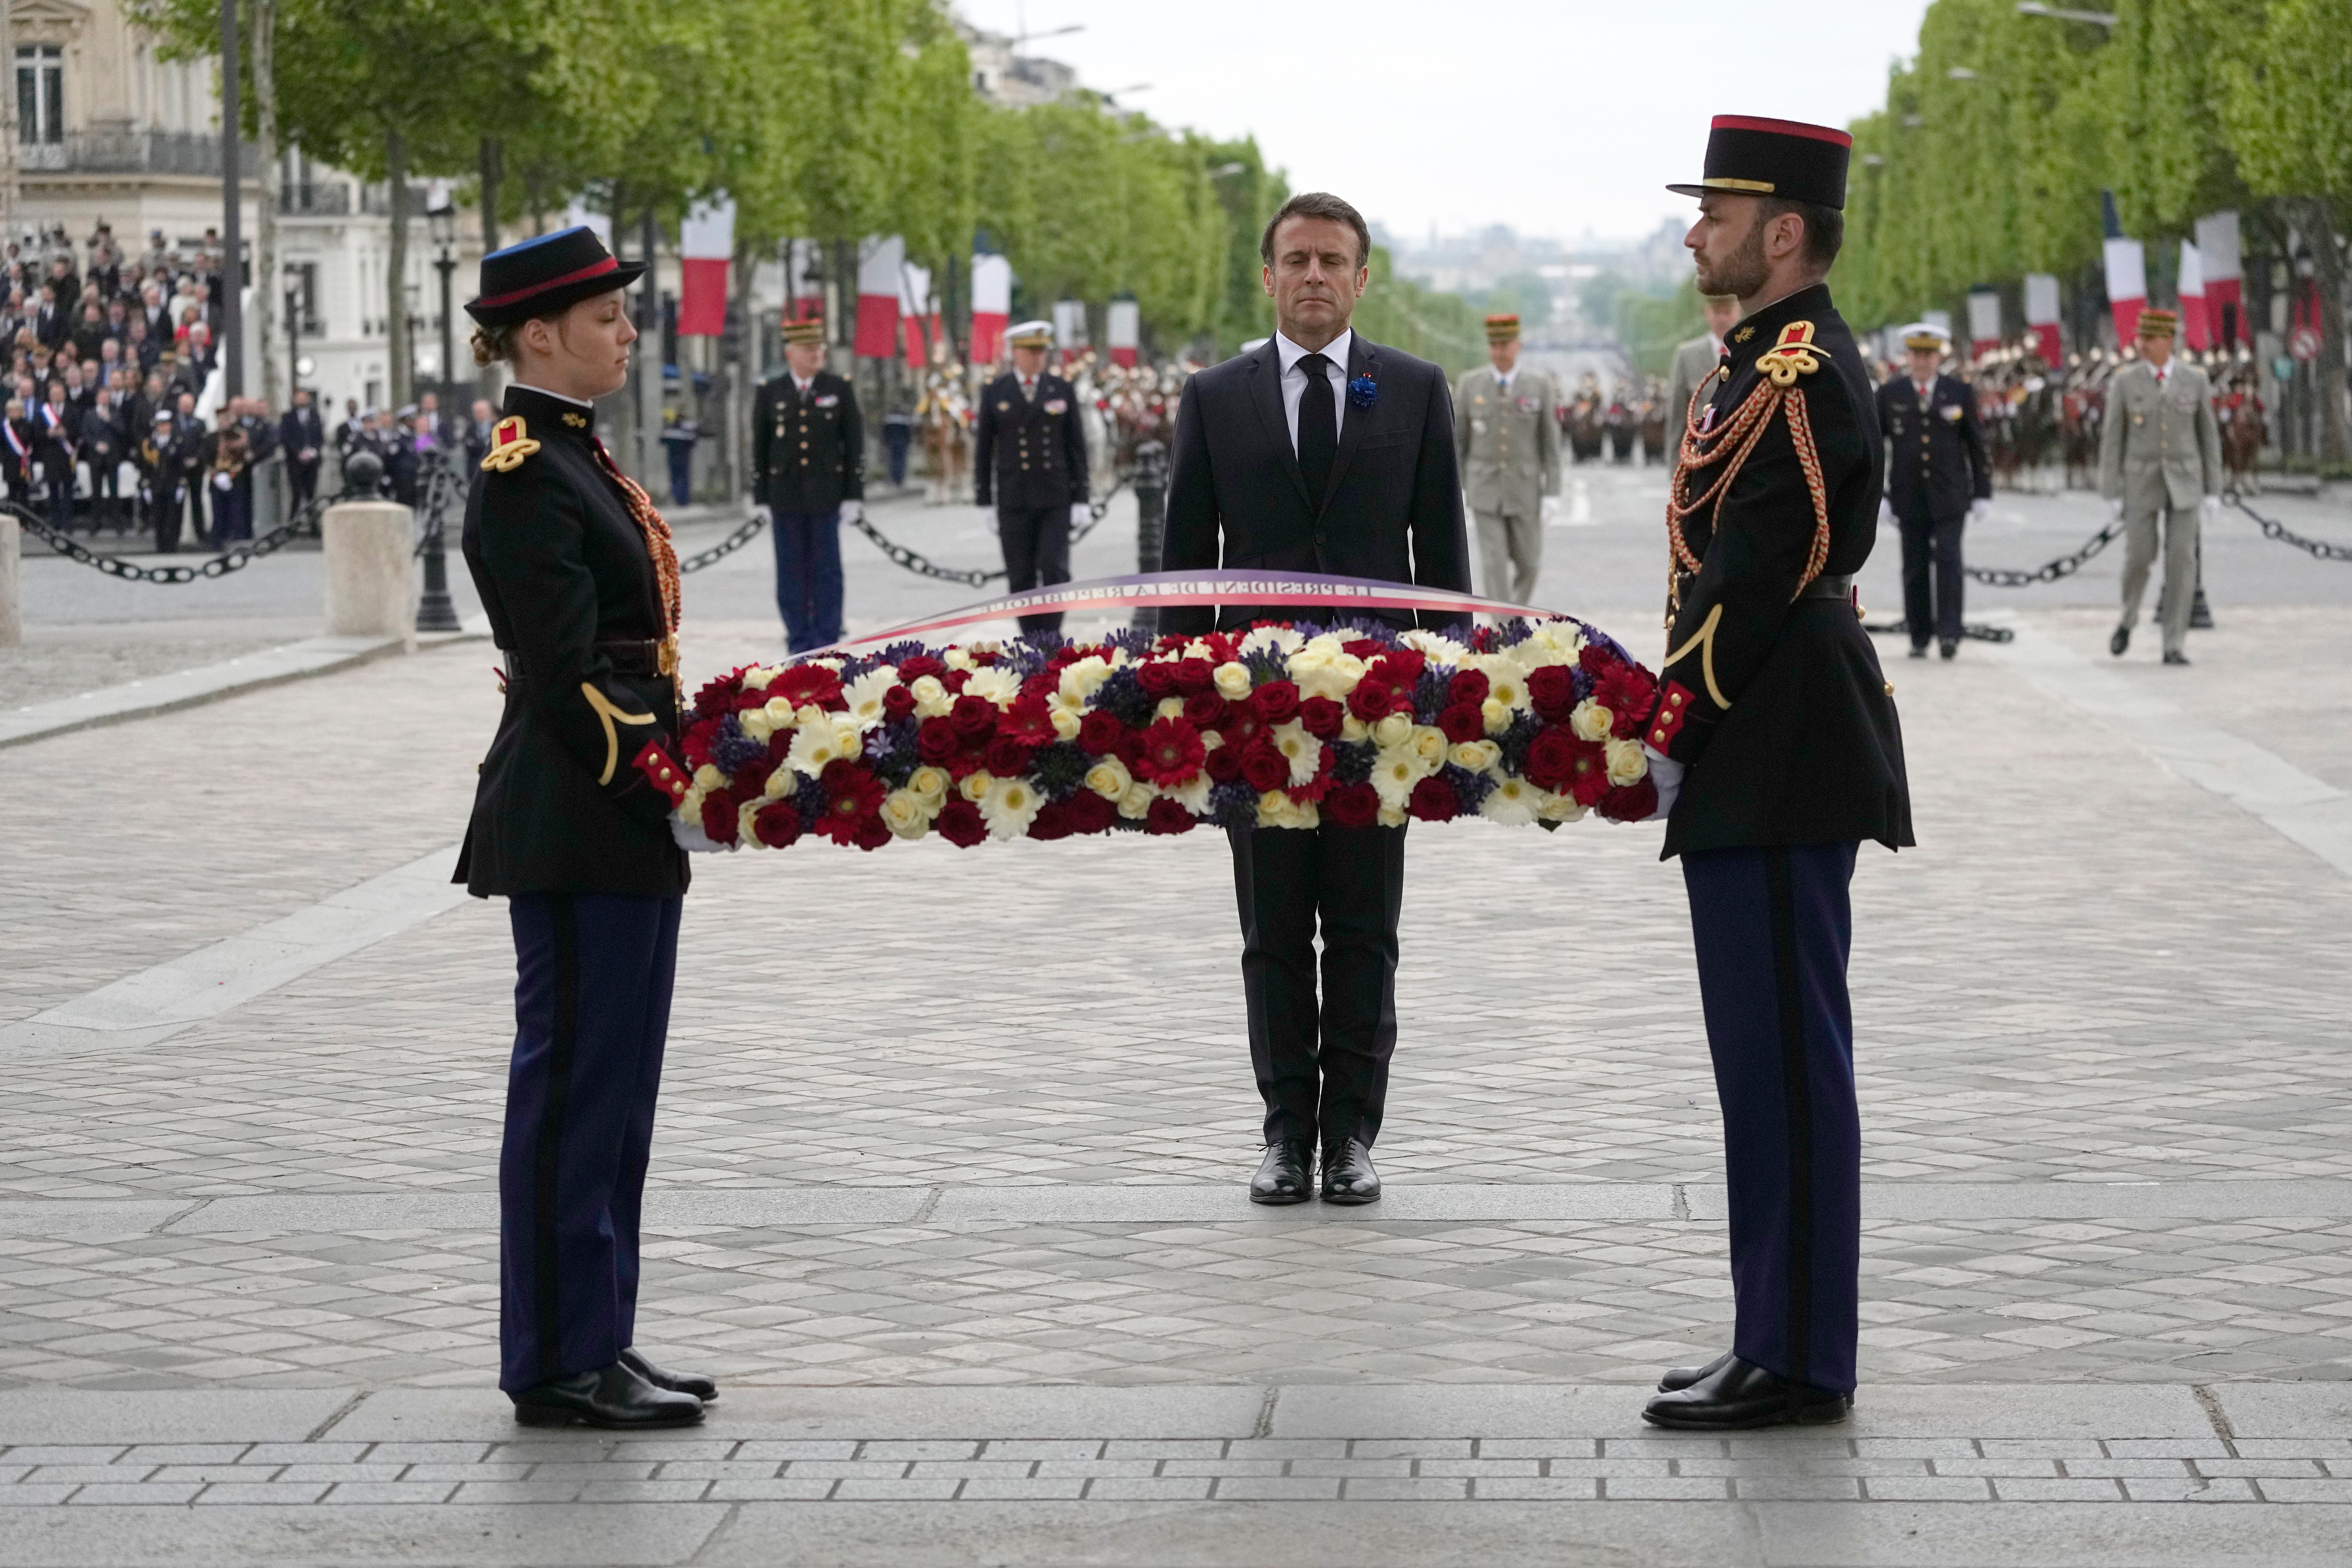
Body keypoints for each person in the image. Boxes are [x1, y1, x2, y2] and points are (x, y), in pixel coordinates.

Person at [1637, 115, 1911, 1430]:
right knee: (1759, 1059)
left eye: (1719, 211)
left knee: (1791, 1061)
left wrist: (1664, 713)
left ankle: (1802, 1356)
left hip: (1780, 738)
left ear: (1784, 232)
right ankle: (1773, 1325)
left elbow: (1749, 580)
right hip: (1765, 739)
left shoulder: (1801, 379)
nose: (1698, 231)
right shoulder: (1757, 365)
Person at [1160, 191, 1473, 1207]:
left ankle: (1352, 1136)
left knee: (1366, 928)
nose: (1312, 277)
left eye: (1332, 260)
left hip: (1378, 722)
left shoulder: (1417, 391)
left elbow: (1443, 572)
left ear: (1360, 277)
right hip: (1256, 720)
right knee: (1272, 932)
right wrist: (1178, 712)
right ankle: (1285, 1133)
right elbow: (1182, 571)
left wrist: (1445, 705)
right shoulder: (1215, 397)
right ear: (1266, 275)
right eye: (1294, 259)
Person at [457, 223, 712, 1431]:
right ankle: (555, 1357)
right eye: (608, 317)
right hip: (579, 815)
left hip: (620, 821)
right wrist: (666, 778)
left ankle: (600, 1334)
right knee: (569, 1093)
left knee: (618, 1096)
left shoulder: (578, 459)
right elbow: (565, 679)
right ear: (542, 333)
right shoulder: (524, 474)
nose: (627, 331)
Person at [2098, 308, 2222, 665]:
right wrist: (2111, 490)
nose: (2142, 345)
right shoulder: (2125, 382)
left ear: (2168, 341)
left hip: (2185, 483)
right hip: (2142, 483)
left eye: (2149, 339)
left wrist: (2214, 489)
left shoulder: (2194, 380)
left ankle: (2174, 642)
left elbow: (2208, 438)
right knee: (2139, 557)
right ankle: (2128, 617)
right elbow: (2112, 440)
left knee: (2182, 562)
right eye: (2140, 338)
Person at [1875, 327, 1990, 660]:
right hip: (1908, 494)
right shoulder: (1890, 393)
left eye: (1929, 355)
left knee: (1950, 562)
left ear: (1940, 356)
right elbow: (1875, 446)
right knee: (1914, 566)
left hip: (1950, 494)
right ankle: (1920, 634)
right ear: (1907, 356)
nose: (1923, 361)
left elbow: (1976, 444)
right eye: (1916, 354)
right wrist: (1879, 495)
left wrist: (1983, 492)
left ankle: (1950, 633)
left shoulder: (1959, 391)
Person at [751, 316, 864, 653]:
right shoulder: (771, 392)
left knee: (827, 571)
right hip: (785, 497)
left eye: (820, 347)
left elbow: (854, 443)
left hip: (828, 496)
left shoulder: (837, 388)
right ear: (791, 353)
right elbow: (761, 447)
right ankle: (798, 640)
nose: (817, 353)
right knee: (791, 573)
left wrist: (854, 495)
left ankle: (827, 638)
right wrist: (760, 497)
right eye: (809, 348)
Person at [973, 320, 1089, 637]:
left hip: (1055, 496)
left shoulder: (1060, 389)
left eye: (1043, 351)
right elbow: (984, 450)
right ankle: (1030, 638)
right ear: (1016, 353)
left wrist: (1082, 498)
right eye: (1032, 351)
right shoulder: (996, 391)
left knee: (1055, 571)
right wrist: (984, 500)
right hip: (1014, 498)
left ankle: (1051, 637)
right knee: (1021, 575)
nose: (1039, 357)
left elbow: (1076, 446)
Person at [1452, 311, 1559, 605]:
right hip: (1484, 488)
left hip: (1525, 489)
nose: (1500, 352)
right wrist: (1458, 486)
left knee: (1530, 564)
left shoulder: (1540, 386)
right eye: (1495, 346)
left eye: (1506, 345)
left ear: (1518, 346)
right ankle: (1504, 629)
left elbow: (1550, 444)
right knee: (1494, 563)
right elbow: (1458, 442)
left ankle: (1515, 613)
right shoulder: (1470, 385)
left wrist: (1553, 492)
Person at [1667, 293, 1743, 435]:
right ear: (1707, 313)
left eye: (1727, 312)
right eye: (1716, 312)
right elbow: (1677, 413)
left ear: (1738, 312)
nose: (1722, 319)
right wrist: (1674, 457)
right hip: (1700, 447)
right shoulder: (1687, 355)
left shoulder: (1750, 351)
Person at [198, 406, 251, 549]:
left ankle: (236, 541)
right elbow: (206, 459)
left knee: (235, 512)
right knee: (218, 512)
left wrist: (231, 474)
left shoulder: (238, 437)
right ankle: (217, 542)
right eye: (221, 419)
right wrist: (216, 476)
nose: (224, 422)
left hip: (235, 479)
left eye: (226, 419)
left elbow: (243, 459)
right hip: (217, 479)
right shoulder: (211, 438)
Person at [139, 407, 186, 553]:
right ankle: (161, 545)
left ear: (170, 425)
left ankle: (173, 545)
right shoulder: (150, 444)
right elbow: (145, 467)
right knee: (159, 516)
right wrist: (146, 486)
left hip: (173, 484)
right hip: (157, 485)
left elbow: (182, 464)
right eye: (160, 424)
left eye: (165, 424)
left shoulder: (178, 441)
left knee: (173, 516)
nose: (163, 427)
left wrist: (182, 485)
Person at [281, 387, 324, 510]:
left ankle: (313, 522)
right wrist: (299, 452)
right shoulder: (288, 417)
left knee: (311, 493)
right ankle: (294, 523)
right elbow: (286, 438)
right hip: (295, 462)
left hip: (312, 462)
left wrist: (313, 451)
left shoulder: (315, 416)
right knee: (297, 494)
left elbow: (320, 437)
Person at [660, 403, 698, 507]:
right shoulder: (687, 430)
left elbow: (662, 440)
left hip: (674, 458)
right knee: (683, 479)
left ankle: (678, 499)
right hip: (684, 458)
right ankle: (684, 501)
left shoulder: (670, 430)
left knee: (676, 479)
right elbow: (693, 441)